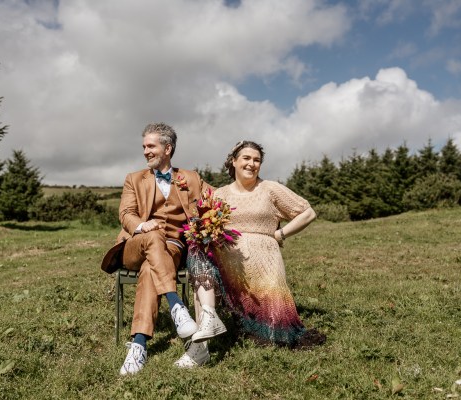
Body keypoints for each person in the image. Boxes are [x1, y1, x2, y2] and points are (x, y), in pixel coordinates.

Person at [188, 140, 326, 349]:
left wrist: (280, 234)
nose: (252, 164)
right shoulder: (219, 194)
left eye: (257, 160)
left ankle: (234, 328)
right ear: (233, 162)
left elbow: (308, 213)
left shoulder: (269, 189)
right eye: (246, 158)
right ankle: (203, 337)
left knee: (271, 334)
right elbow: (205, 227)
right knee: (196, 251)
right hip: (227, 260)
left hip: (264, 259)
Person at [100, 123, 213, 375]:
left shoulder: (190, 178)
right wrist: (141, 225)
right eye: (144, 147)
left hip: (172, 246)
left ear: (168, 148)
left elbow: (218, 199)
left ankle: (138, 345)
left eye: (151, 146)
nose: (145, 151)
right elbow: (126, 213)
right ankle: (176, 305)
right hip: (136, 244)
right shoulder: (134, 179)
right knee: (152, 237)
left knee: (151, 270)